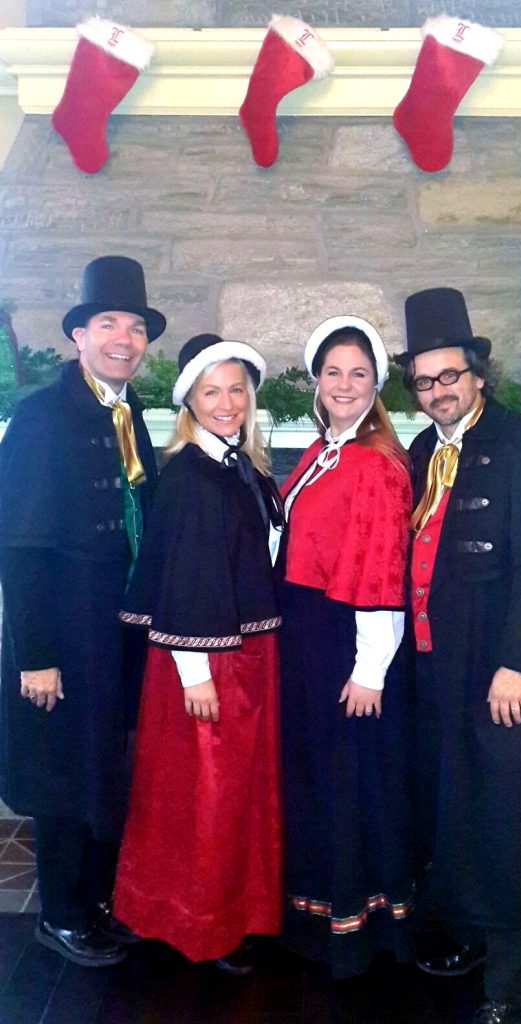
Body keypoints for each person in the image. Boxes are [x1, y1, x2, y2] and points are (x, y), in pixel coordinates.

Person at [399, 287, 521, 1024]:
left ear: (478, 373)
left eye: (451, 375)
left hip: (506, 670)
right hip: (437, 668)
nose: (439, 392)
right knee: (454, 806)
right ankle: (470, 936)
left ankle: (507, 989)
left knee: (507, 813)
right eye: (425, 381)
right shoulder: (420, 452)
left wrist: (516, 662)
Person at [0, 256, 164, 966]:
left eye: (134, 326)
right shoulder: (41, 416)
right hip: (62, 642)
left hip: (118, 636)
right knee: (62, 777)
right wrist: (34, 653)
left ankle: (98, 902)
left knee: (105, 770)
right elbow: (22, 545)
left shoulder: (128, 414)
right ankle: (60, 915)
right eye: (108, 323)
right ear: (79, 335)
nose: (123, 337)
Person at [113, 334, 283, 973]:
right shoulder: (189, 474)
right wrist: (196, 672)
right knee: (204, 798)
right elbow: (186, 574)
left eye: (237, 389)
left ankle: (237, 909)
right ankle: (200, 922)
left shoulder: (243, 466)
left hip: (247, 655)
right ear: (189, 402)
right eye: (212, 391)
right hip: (205, 663)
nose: (228, 402)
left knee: (234, 796)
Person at [278, 316, 415, 979]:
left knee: (346, 779)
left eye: (358, 373)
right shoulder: (323, 449)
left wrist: (369, 671)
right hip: (309, 632)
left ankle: (353, 931)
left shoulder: (374, 463)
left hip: (344, 639)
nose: (344, 383)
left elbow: (379, 570)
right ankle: (313, 911)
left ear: (376, 385)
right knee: (316, 775)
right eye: (333, 371)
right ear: (315, 380)